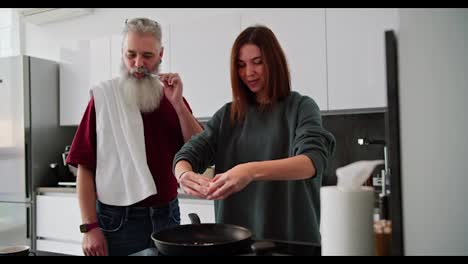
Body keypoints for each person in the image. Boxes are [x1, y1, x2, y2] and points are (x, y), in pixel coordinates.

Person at [173, 25, 336, 244]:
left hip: (293, 244)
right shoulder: (227, 116)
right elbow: (187, 155)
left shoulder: (301, 107)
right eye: (241, 65)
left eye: (257, 62)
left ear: (274, 61)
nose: (249, 72)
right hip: (235, 246)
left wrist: (250, 171)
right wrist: (184, 174)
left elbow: (311, 163)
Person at [66, 17, 203, 256]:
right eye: (131, 54)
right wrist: (89, 227)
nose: (138, 63)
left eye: (147, 56)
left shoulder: (172, 97)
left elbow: (201, 148)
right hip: (117, 220)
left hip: (168, 214)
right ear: (122, 53)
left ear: (161, 54)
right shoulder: (103, 98)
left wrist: (179, 105)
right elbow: (85, 168)